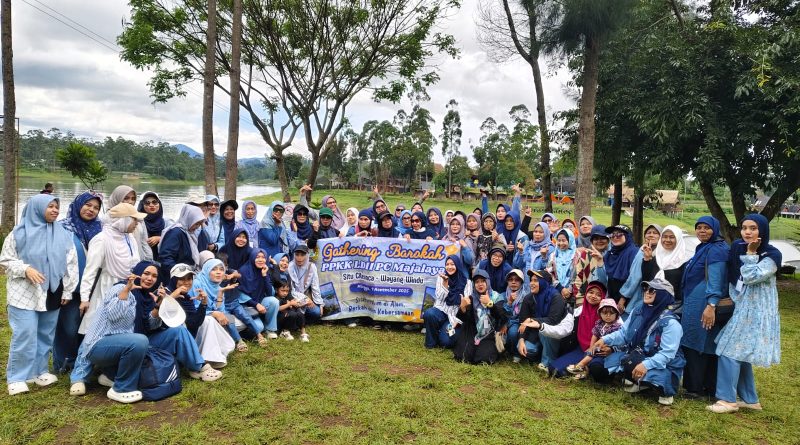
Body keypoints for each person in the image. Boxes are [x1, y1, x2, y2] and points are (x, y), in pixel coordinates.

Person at [2, 194, 79, 395]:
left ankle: (39, 371)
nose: (55, 210)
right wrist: (25, 269)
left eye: (56, 207)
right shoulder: (18, 233)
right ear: (36, 208)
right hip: (24, 292)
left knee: (45, 334)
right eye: (50, 206)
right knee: (25, 333)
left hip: (53, 290)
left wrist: (68, 290)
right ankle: (17, 377)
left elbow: (71, 264)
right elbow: (6, 260)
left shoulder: (64, 234)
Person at [707, 214, 781, 413]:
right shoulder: (737, 247)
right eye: (744, 227)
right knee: (739, 351)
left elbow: (751, 276)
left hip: (758, 312)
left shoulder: (772, 255)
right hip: (742, 308)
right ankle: (750, 399)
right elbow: (734, 277)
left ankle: (727, 401)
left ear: (762, 231)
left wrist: (751, 253)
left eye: (753, 228)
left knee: (729, 351)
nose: (747, 232)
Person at [590, 278, 685, 406]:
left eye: (652, 290)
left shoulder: (671, 323)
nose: (647, 292)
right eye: (645, 289)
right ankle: (637, 380)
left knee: (657, 378)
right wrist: (604, 339)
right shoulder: (638, 310)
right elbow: (624, 334)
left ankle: (665, 390)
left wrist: (645, 365)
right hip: (637, 355)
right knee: (600, 368)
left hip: (662, 363)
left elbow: (667, 355)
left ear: (663, 295)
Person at [68, 274, 149, 403]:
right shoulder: (119, 288)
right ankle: (121, 389)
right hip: (98, 345)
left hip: (114, 346)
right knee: (139, 342)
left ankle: (110, 376)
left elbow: (144, 326)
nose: (150, 278)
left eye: (155, 275)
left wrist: (158, 306)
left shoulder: (144, 298)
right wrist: (126, 290)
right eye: (146, 273)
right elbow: (113, 314)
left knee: (140, 344)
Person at [680, 216, 729, 399]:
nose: (702, 231)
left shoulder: (716, 250)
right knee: (696, 340)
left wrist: (711, 305)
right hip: (695, 302)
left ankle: (699, 388)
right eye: (699, 227)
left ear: (715, 229)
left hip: (705, 304)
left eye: (706, 228)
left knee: (701, 342)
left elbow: (716, 279)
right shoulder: (704, 247)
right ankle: (701, 386)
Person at [54, 191, 103, 374]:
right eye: (87, 205)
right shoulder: (63, 227)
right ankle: (64, 362)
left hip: (93, 287)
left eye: (96, 207)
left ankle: (85, 361)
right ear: (78, 204)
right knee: (69, 326)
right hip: (71, 287)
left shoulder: (100, 229)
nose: (91, 210)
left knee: (89, 325)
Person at [79, 203, 145, 336]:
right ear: (123, 220)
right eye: (134, 219)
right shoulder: (102, 240)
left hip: (128, 287)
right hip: (107, 286)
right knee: (100, 326)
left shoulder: (129, 238)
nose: (137, 223)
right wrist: (84, 298)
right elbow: (90, 271)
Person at [549, 281, 606, 377]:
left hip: (599, 350)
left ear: (603, 297)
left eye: (598, 294)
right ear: (586, 293)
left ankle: (586, 367)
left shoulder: (607, 313)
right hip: (581, 348)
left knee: (597, 368)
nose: (593, 296)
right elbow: (564, 327)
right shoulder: (579, 311)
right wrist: (542, 326)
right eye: (591, 292)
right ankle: (582, 368)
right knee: (554, 369)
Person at [453, 269, 506, 365]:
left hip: (489, 333)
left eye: (483, 281)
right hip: (472, 332)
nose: (480, 284)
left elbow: (501, 317)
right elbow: (465, 320)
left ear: (488, 282)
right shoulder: (470, 298)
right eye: (477, 282)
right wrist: (463, 308)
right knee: (463, 356)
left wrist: (490, 303)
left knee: (483, 359)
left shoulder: (497, 297)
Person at [517, 270, 567, 370]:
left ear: (544, 282)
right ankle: (540, 353)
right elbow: (523, 321)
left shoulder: (556, 297)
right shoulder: (529, 298)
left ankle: (547, 362)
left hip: (552, 333)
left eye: (536, 280)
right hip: (535, 332)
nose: (531, 283)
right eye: (531, 280)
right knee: (526, 349)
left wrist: (531, 320)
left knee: (545, 331)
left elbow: (553, 320)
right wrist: (521, 340)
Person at [566, 298, 622, 380]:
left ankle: (580, 365)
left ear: (616, 314)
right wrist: (591, 346)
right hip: (599, 346)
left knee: (593, 353)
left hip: (610, 348)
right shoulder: (600, 324)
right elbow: (595, 335)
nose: (608, 316)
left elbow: (617, 340)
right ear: (600, 313)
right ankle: (584, 372)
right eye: (605, 313)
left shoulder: (617, 327)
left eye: (611, 313)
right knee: (589, 352)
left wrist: (598, 348)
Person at [423, 255, 471, 349]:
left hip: (454, 316)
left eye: (452, 264)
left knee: (446, 342)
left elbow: (466, 305)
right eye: (447, 264)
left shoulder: (467, 282)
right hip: (441, 311)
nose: (449, 267)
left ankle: (441, 331)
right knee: (429, 314)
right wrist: (445, 284)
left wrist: (457, 321)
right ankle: (430, 343)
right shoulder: (441, 278)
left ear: (457, 265)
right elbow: (439, 298)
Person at [643, 225, 691, 313]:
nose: (667, 240)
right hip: (653, 302)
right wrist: (647, 259)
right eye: (664, 237)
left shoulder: (684, 261)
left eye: (672, 237)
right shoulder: (656, 258)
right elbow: (646, 279)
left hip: (673, 306)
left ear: (678, 239)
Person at [618, 224, 662, 318]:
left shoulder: (663, 253)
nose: (651, 235)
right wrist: (624, 297)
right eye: (648, 232)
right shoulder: (642, 251)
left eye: (655, 233)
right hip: (637, 293)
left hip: (651, 295)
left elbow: (636, 276)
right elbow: (634, 275)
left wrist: (623, 297)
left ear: (660, 236)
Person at [236, 249, 280, 344]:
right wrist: (256, 304)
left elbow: (270, 293)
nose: (260, 260)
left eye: (263, 257)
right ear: (252, 258)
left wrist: (264, 276)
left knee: (273, 301)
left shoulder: (265, 270)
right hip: (246, 306)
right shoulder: (243, 271)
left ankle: (270, 329)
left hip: (260, 303)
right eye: (257, 257)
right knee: (259, 327)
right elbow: (239, 294)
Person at [158, 204, 206, 277]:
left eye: (199, 224)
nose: (197, 227)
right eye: (196, 224)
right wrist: (180, 273)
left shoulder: (189, 233)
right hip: (177, 276)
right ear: (189, 220)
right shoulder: (175, 233)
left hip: (186, 273)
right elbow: (166, 257)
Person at [571, 225, 610, 306]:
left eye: (602, 238)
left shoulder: (612, 255)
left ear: (608, 239)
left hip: (608, 302)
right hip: (587, 300)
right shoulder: (586, 255)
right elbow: (578, 278)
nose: (599, 241)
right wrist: (579, 299)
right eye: (596, 239)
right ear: (591, 241)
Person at [288, 244, 322, 329]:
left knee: (317, 312)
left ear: (307, 255)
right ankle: (297, 321)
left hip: (306, 299)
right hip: (292, 298)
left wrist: (320, 304)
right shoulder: (290, 266)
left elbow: (315, 286)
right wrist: (306, 299)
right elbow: (291, 290)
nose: (299, 258)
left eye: (302, 255)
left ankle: (302, 321)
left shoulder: (311, 266)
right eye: (297, 255)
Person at [499, 269, 529, 362]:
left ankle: (516, 353)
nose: (513, 282)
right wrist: (509, 302)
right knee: (501, 334)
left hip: (517, 322)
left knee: (513, 333)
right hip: (504, 321)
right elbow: (500, 312)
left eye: (517, 280)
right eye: (511, 279)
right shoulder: (503, 295)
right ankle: (506, 350)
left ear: (522, 282)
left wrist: (513, 323)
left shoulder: (526, 296)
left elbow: (524, 315)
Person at [603, 225, 639, 303]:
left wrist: (623, 298)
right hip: (612, 297)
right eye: (612, 235)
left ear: (627, 236)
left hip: (628, 299)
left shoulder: (634, 252)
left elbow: (634, 278)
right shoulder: (609, 254)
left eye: (619, 234)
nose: (615, 237)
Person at [137, 191, 170, 261]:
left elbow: (174, 239)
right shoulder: (137, 222)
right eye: (147, 203)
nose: (151, 205)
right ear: (141, 205)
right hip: (143, 260)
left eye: (155, 202)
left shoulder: (167, 222)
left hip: (164, 260)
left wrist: (160, 238)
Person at [548, 228, 577, 303]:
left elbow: (579, 274)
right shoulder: (553, 255)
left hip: (573, 294)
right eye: (559, 240)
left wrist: (569, 290)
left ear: (570, 240)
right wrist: (560, 288)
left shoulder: (577, 255)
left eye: (563, 240)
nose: (561, 243)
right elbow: (549, 273)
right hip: (556, 292)